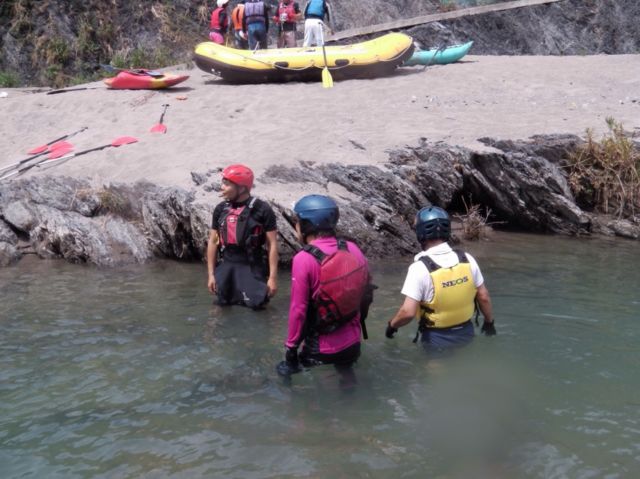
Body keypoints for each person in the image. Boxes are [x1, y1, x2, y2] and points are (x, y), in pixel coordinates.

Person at [276, 195, 373, 379]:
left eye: (297, 222)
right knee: (347, 381)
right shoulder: (353, 248)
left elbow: (298, 310)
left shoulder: (303, 259)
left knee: (310, 389)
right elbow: (366, 292)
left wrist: (291, 350)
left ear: (306, 225)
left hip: (320, 349)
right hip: (353, 343)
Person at [385, 206, 495, 354]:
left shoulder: (419, 268)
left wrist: (392, 326)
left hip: (436, 339)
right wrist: (489, 322)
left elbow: (408, 312)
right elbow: (484, 297)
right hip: (467, 332)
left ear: (421, 233)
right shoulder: (467, 259)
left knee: (436, 368)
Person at [206, 164, 278, 309]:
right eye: (223, 183)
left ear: (242, 188)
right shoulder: (221, 209)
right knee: (220, 308)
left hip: (252, 267)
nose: (222, 187)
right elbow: (213, 241)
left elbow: (272, 245)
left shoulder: (262, 209)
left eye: (227, 184)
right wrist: (211, 274)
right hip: (227, 267)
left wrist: (272, 278)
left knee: (257, 307)